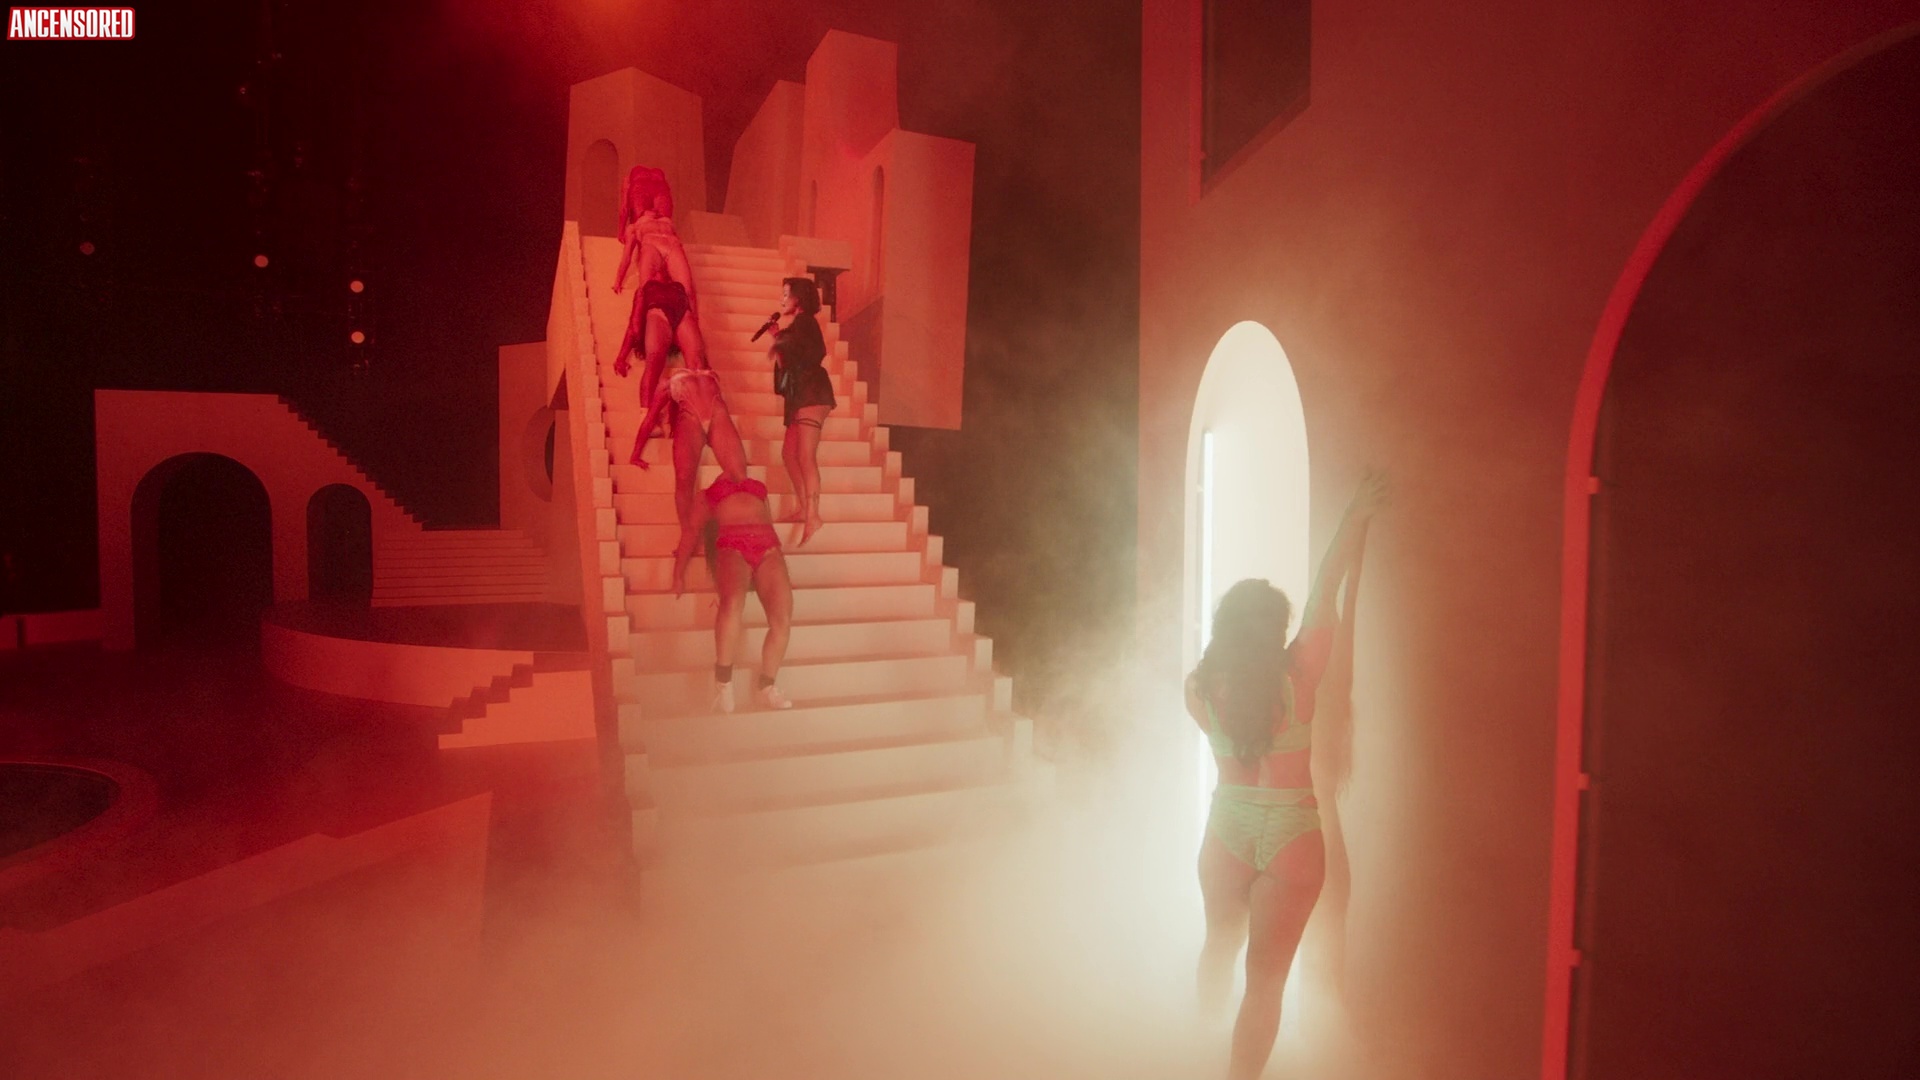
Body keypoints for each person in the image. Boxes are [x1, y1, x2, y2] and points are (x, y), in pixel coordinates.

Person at [1186, 470, 1388, 1080]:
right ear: (1277, 630)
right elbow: (1326, 590)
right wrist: (1354, 516)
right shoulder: (1298, 675)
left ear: (1225, 628)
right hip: (1293, 838)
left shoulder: (1199, 688)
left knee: (1219, 948)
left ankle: (1192, 1046)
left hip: (1227, 830)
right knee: (1266, 986)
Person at [672, 407, 795, 714]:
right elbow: (690, 533)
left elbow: (766, 520)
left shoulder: (758, 488)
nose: (738, 455)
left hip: (768, 546)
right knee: (732, 604)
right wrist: (678, 572)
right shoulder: (708, 494)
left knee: (782, 618)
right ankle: (723, 684)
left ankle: (767, 685)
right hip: (732, 546)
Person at [769, 277, 836, 543]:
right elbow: (787, 364)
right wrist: (779, 339)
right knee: (789, 453)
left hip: (812, 392)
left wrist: (782, 340)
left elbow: (812, 354)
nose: (782, 300)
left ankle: (813, 515)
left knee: (805, 456)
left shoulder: (805, 322)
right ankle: (804, 508)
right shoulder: (798, 326)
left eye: (786, 294)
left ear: (798, 298)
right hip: (801, 394)